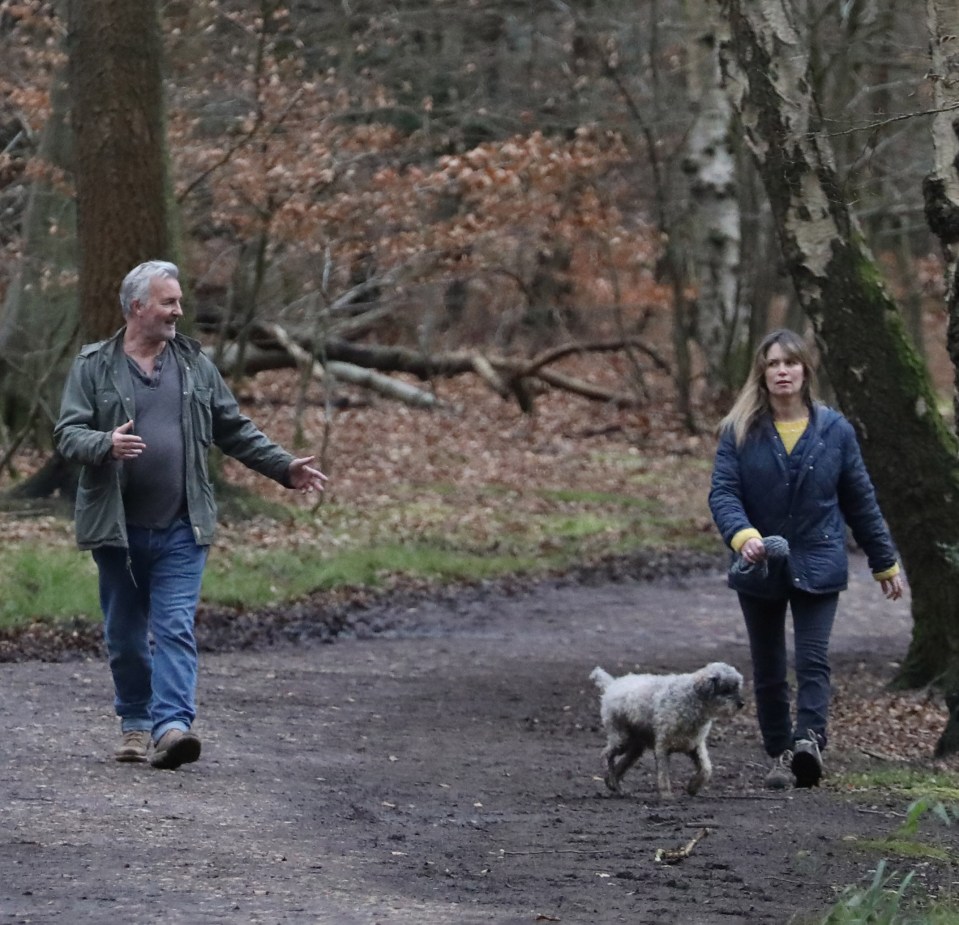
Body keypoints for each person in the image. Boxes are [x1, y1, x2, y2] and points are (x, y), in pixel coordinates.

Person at [55, 260, 328, 771]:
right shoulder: (92, 366)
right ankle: (135, 723)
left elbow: (234, 427)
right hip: (116, 528)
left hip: (184, 524)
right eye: (168, 302)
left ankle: (172, 728)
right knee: (126, 637)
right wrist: (105, 443)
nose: (179, 311)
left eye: (178, 301)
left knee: (176, 626)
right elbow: (66, 434)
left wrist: (283, 467)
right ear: (137, 307)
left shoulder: (195, 365)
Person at [708, 329, 903, 790]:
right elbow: (723, 492)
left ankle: (809, 742)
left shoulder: (835, 430)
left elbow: (860, 500)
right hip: (758, 562)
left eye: (790, 363)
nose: (782, 371)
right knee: (769, 666)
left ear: (805, 371)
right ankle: (778, 753)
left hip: (819, 558)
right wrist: (743, 537)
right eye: (773, 364)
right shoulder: (739, 430)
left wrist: (884, 562)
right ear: (762, 371)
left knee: (813, 660)